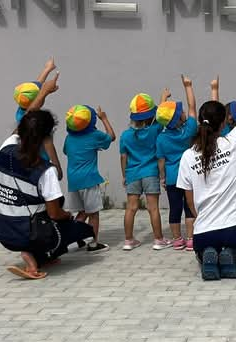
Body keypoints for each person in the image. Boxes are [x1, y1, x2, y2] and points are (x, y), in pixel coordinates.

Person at [178, 72, 236, 280]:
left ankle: (209, 254)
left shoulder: (188, 156)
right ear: (224, 123)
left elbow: (189, 201)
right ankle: (231, 254)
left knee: (206, 249)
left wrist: (203, 219)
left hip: (204, 232)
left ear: (200, 122)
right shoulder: (232, 142)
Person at [0, 110, 94, 279]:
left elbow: (27, 123)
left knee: (47, 215)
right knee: (79, 229)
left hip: (0, 227)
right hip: (25, 233)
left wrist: (44, 92)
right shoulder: (45, 171)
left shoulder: (5, 148)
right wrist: (68, 215)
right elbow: (55, 213)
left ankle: (45, 255)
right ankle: (35, 259)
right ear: (46, 138)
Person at [120, 90, 171, 251]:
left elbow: (123, 157)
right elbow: (161, 115)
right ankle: (158, 239)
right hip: (150, 172)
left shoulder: (125, 135)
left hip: (132, 173)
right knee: (153, 207)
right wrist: (163, 98)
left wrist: (124, 175)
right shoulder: (154, 130)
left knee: (131, 207)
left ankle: (128, 240)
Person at [62, 104, 115, 252]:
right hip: (89, 180)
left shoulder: (69, 138)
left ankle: (74, 239)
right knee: (93, 214)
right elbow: (111, 137)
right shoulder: (94, 135)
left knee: (82, 212)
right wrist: (104, 118)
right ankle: (93, 244)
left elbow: (66, 152)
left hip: (73, 181)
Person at [155, 74, 198, 251]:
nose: (183, 111)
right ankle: (190, 239)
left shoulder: (161, 138)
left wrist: (162, 178)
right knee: (190, 207)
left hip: (172, 177)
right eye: (180, 111)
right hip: (189, 176)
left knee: (174, 208)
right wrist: (188, 86)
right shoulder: (188, 130)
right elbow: (193, 107)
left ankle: (177, 239)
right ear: (178, 118)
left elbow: (161, 161)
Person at [12, 57, 63, 179]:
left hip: (28, 163)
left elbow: (34, 90)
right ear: (38, 101)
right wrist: (58, 170)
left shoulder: (21, 110)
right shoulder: (38, 124)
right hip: (40, 166)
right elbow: (49, 147)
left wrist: (47, 69)